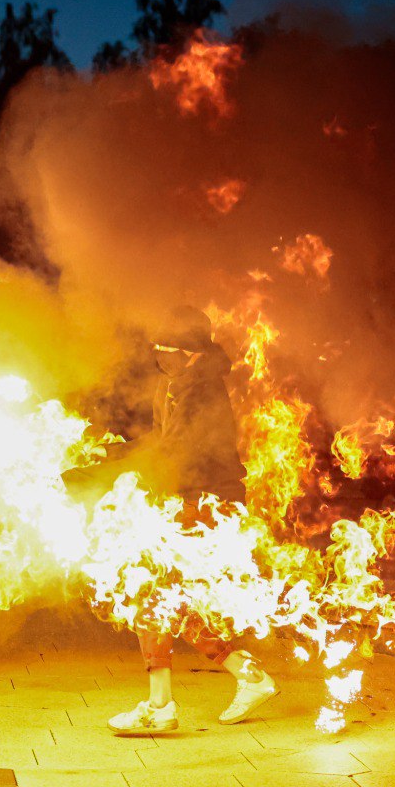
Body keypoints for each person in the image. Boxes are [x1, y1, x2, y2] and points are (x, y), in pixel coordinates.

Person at [107, 307, 279, 735]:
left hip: (206, 504)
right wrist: (110, 453)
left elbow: (179, 452)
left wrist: (110, 473)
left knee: (151, 592)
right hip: (180, 499)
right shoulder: (169, 383)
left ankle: (161, 706)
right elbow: (159, 440)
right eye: (158, 350)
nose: (161, 358)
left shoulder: (204, 390)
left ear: (193, 353)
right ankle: (247, 676)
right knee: (167, 600)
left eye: (170, 351)